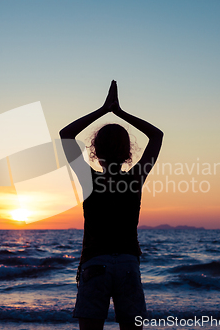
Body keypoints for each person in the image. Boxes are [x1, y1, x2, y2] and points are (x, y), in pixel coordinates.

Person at [60, 80, 163, 330]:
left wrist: (103, 110)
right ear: (128, 152)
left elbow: (66, 135)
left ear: (95, 150)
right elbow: (157, 136)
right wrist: (120, 112)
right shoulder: (135, 179)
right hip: (128, 263)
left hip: (95, 262)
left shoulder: (90, 179)